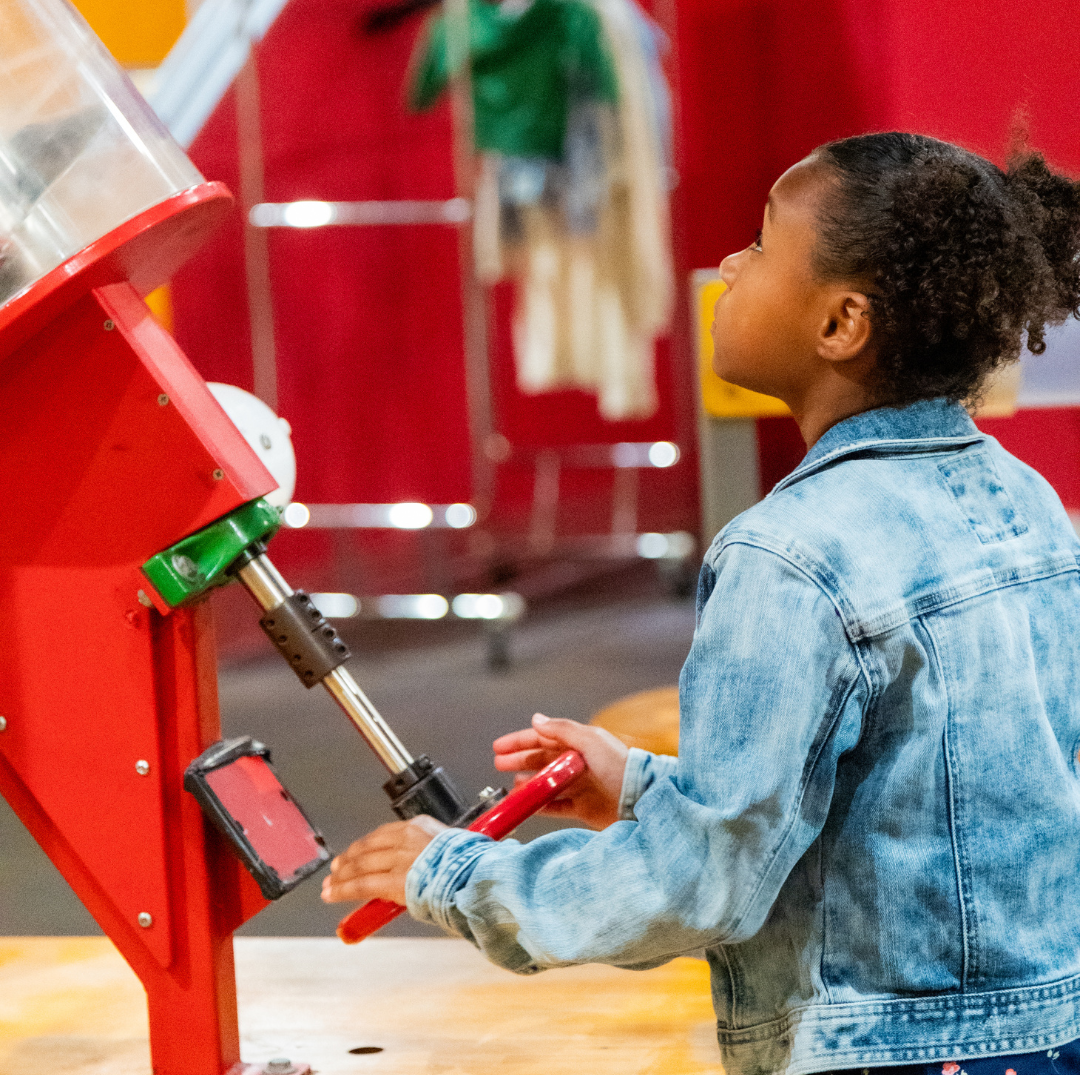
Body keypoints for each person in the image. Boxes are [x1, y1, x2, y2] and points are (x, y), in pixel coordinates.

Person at [322, 132, 1080, 1075]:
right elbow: (920, 789)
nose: (728, 263)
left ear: (841, 323)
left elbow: (699, 884)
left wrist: (459, 876)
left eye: (761, 245)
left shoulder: (788, 555)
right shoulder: (1029, 501)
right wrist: (642, 784)